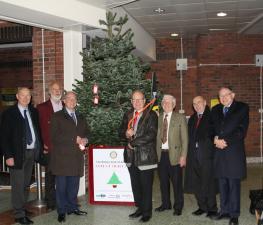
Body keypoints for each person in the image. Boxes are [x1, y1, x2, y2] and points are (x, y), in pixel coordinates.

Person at [1, 87, 43, 225]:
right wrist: (8, 155)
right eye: (23, 95)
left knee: (25, 184)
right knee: (18, 184)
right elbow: (4, 137)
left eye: (28, 96)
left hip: (31, 153)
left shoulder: (34, 112)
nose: (26, 98)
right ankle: (19, 214)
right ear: (17, 97)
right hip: (17, 154)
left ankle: (22, 207)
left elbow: (36, 131)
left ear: (31, 97)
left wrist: (40, 147)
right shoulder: (9, 114)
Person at [211, 87, 249, 225]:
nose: (223, 98)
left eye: (226, 95)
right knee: (222, 184)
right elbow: (211, 129)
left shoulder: (242, 108)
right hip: (219, 154)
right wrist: (214, 139)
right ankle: (224, 211)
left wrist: (224, 141)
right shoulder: (215, 110)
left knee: (233, 184)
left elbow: (241, 131)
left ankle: (234, 214)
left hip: (233, 153)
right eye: (220, 96)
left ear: (233, 95)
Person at [119, 90, 158, 223]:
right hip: (131, 158)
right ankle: (140, 209)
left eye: (140, 99)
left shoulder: (151, 115)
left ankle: (147, 212)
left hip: (146, 157)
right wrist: (126, 133)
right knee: (136, 186)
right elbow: (120, 133)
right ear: (131, 102)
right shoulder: (128, 114)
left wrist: (132, 143)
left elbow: (151, 135)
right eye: (134, 100)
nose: (137, 102)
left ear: (145, 101)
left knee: (146, 186)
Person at [50, 91, 89, 223]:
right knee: (61, 187)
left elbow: (87, 132)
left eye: (74, 99)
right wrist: (74, 139)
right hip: (62, 159)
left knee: (74, 186)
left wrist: (85, 139)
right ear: (64, 101)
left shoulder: (81, 116)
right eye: (69, 99)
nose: (72, 101)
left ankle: (72, 208)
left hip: (76, 158)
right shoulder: (57, 116)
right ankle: (61, 211)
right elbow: (54, 137)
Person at [184, 96, 218, 218]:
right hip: (194, 155)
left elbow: (216, 133)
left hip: (207, 155)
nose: (197, 105)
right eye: (194, 104)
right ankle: (202, 207)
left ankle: (212, 209)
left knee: (208, 182)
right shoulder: (193, 118)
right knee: (196, 182)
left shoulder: (212, 116)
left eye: (199, 102)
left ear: (205, 102)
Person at [155, 94, 188, 216]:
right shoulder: (158, 118)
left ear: (174, 105)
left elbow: (185, 139)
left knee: (177, 183)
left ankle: (178, 206)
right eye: (164, 102)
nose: (166, 104)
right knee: (163, 182)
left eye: (169, 102)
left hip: (175, 155)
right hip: (161, 155)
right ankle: (165, 204)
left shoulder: (180, 117)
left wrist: (183, 156)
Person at [37, 81, 63, 211]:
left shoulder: (65, 106)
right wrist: (41, 146)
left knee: (63, 175)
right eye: (54, 89)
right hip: (50, 148)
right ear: (49, 91)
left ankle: (61, 200)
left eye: (59, 89)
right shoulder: (41, 108)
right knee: (50, 176)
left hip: (64, 149)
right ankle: (51, 202)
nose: (57, 91)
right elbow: (37, 129)